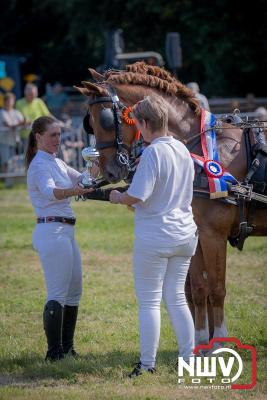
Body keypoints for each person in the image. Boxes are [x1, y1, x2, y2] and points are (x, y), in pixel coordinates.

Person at [110, 95, 198, 378]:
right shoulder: (182, 149)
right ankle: (189, 359)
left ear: (147, 123)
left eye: (138, 125)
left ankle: (147, 364)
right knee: (177, 299)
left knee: (149, 302)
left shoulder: (152, 153)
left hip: (156, 236)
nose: (139, 130)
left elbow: (138, 195)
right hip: (184, 234)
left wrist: (117, 197)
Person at [26, 116, 97, 361]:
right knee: (57, 292)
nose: (57, 139)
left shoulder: (56, 162)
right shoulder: (39, 165)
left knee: (75, 290)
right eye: (52, 135)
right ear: (38, 137)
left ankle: (67, 347)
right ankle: (53, 352)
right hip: (51, 230)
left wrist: (94, 164)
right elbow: (51, 192)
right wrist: (75, 191)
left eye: (59, 135)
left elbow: (85, 180)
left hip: (66, 230)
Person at [0, 92, 25, 169]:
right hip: (4, 141)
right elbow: (9, 125)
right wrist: (20, 124)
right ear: (5, 102)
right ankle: (5, 179)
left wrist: (25, 122)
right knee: (5, 162)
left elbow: (23, 122)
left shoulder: (16, 112)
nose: (10, 103)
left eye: (11, 100)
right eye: (8, 101)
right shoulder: (1, 112)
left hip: (15, 141)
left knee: (14, 161)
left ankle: (11, 180)